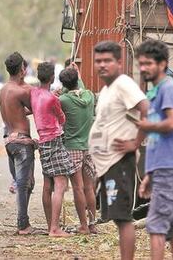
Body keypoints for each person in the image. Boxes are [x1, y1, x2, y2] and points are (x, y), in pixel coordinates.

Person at [88, 41, 148, 260]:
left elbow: (145, 109)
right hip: (108, 164)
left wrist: (136, 142)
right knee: (116, 218)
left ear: (119, 62)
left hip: (121, 161)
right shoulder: (106, 89)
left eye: (107, 61)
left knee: (123, 219)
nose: (102, 65)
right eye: (98, 61)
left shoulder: (124, 84)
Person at [135, 40, 173, 260]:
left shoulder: (169, 89)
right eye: (141, 63)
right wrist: (149, 173)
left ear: (163, 64)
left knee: (156, 224)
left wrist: (145, 126)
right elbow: (158, 139)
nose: (143, 68)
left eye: (148, 63)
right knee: (172, 226)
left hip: (172, 164)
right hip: (164, 165)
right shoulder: (156, 92)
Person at [32, 62, 79, 237]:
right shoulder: (53, 99)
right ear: (52, 77)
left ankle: (50, 225)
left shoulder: (34, 93)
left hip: (43, 142)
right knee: (60, 184)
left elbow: (37, 107)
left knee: (47, 184)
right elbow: (62, 118)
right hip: (54, 140)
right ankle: (54, 229)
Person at [0, 51, 38, 235]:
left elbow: (18, 111)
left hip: (9, 140)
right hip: (22, 141)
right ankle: (23, 224)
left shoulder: (5, 89)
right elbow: (38, 108)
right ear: (22, 69)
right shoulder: (23, 90)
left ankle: (24, 221)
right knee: (24, 184)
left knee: (26, 183)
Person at [58, 67, 98, 234]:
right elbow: (78, 86)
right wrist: (78, 75)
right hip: (87, 147)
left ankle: (83, 225)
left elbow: (68, 91)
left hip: (72, 147)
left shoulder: (63, 100)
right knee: (89, 188)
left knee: (77, 188)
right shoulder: (89, 96)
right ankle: (92, 224)